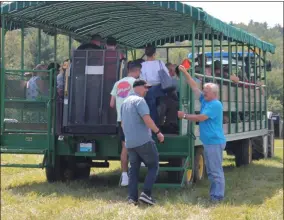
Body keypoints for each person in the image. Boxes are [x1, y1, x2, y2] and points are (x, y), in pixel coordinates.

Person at [177, 65, 226, 203]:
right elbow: (194, 87)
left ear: (214, 94)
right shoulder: (206, 100)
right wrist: (186, 73)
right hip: (210, 142)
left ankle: (217, 197)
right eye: (204, 91)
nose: (203, 93)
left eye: (206, 91)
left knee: (215, 171)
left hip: (214, 142)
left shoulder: (215, 105)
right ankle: (214, 196)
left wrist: (184, 115)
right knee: (211, 171)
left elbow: (201, 118)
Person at [121, 79, 164, 206]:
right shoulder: (140, 101)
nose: (147, 90)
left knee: (133, 170)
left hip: (130, 143)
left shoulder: (125, 102)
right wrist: (158, 132)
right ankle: (146, 194)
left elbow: (123, 124)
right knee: (153, 165)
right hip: (144, 141)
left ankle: (132, 198)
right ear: (138, 87)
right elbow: (147, 119)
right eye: (145, 87)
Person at [110, 61, 141, 186]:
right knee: (139, 144)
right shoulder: (136, 83)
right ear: (137, 71)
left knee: (125, 148)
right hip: (134, 119)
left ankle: (124, 176)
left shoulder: (117, 83)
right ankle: (138, 170)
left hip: (121, 120)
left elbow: (111, 104)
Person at [140, 45, 170, 125]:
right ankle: (158, 124)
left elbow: (141, 78)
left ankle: (151, 126)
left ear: (146, 54)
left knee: (150, 108)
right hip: (160, 90)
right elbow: (167, 76)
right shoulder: (160, 63)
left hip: (147, 90)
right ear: (154, 53)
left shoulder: (142, 65)